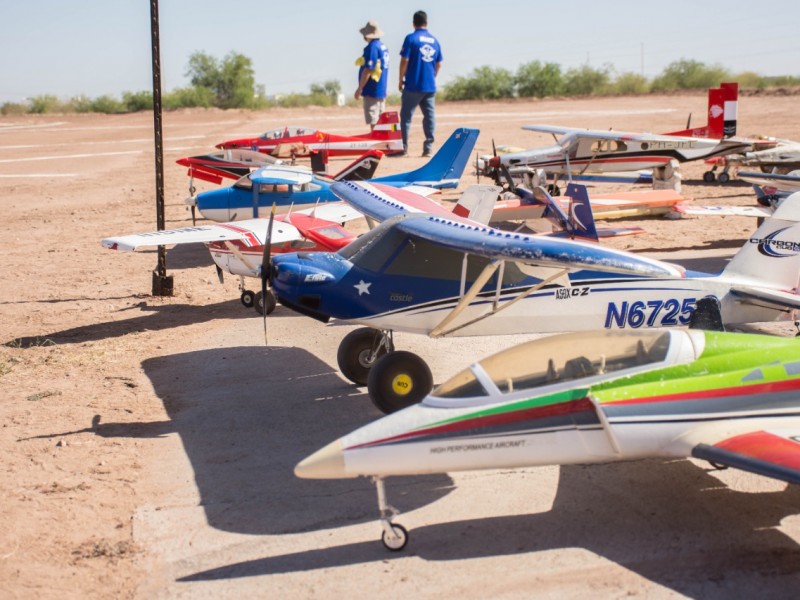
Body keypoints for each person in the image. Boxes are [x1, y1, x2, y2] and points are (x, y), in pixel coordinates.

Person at [398, 10, 442, 157]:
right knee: (429, 116)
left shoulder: (411, 39)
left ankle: (403, 148)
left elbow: (405, 60)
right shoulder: (435, 40)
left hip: (413, 85)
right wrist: (432, 76)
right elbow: (439, 63)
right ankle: (428, 148)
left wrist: (400, 79)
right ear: (426, 23)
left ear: (413, 23)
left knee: (406, 117)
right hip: (429, 86)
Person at [354, 20, 389, 130]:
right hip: (380, 89)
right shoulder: (382, 47)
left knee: (374, 121)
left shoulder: (372, 47)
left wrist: (360, 88)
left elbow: (369, 69)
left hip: (372, 90)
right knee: (380, 119)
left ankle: (378, 144)